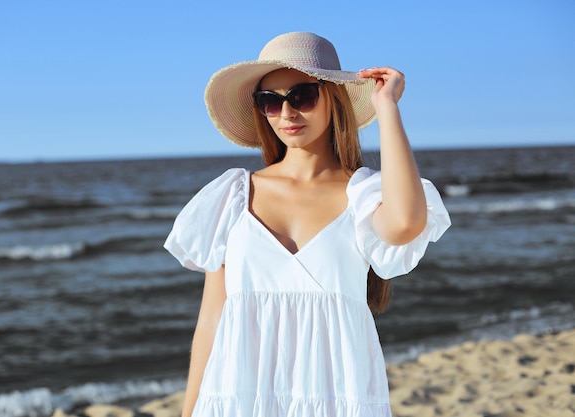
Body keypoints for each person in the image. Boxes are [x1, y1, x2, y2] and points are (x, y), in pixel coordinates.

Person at [164, 32, 451, 417]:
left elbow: (404, 224)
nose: (287, 113)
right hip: (239, 396)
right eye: (270, 101)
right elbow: (212, 320)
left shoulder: (362, 194)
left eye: (302, 95)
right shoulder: (233, 195)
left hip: (335, 396)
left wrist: (387, 108)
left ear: (333, 98)